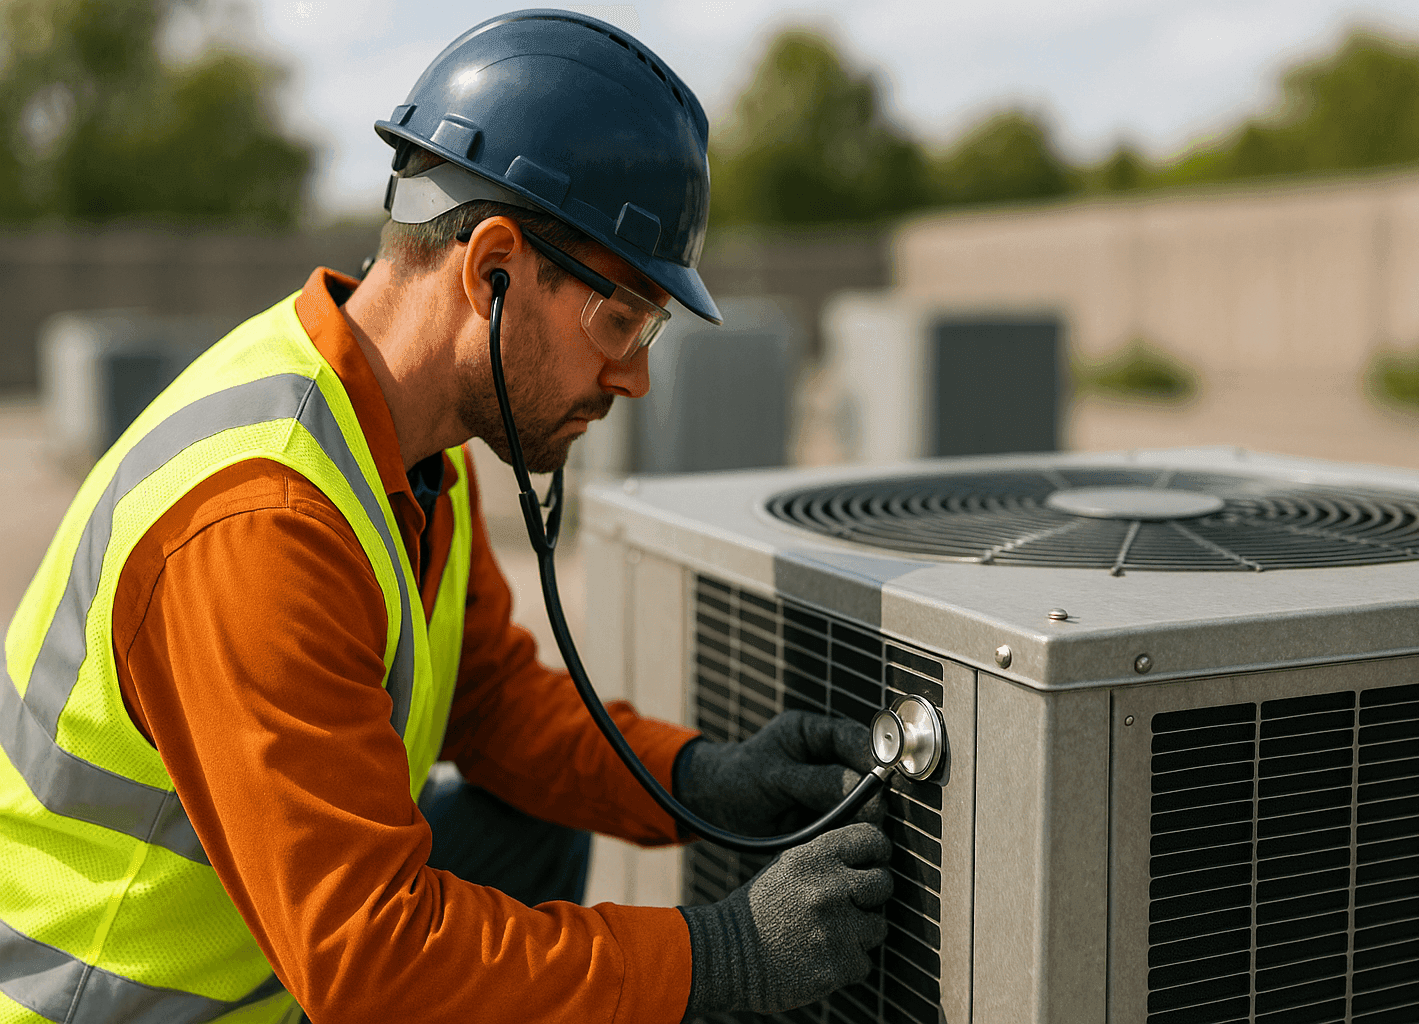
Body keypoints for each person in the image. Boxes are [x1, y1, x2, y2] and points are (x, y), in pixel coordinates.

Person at [0, 11, 891, 1024]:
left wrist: (701, 775)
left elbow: (493, 703)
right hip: (113, 1007)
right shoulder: (263, 520)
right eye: (624, 319)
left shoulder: (408, 442)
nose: (638, 376)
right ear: (492, 270)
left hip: (261, 949)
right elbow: (372, 960)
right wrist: (715, 958)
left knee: (524, 833)